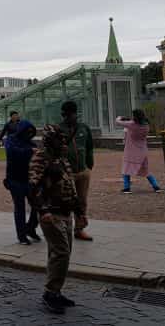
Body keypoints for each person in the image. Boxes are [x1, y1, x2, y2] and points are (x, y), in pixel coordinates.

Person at [29, 124, 85, 314]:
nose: (63, 142)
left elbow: (71, 186)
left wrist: (79, 213)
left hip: (65, 212)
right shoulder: (41, 157)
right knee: (61, 252)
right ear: (49, 139)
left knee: (62, 253)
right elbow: (33, 187)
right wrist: (43, 211)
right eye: (59, 139)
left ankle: (55, 291)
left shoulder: (61, 159)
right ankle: (50, 293)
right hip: (51, 213)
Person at [59, 101, 93, 241]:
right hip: (66, 173)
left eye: (71, 114)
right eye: (66, 115)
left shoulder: (83, 128)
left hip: (82, 170)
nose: (68, 117)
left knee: (82, 201)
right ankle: (64, 229)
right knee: (66, 202)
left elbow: (89, 147)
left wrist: (89, 165)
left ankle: (79, 229)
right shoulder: (58, 129)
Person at [4, 120, 40, 245]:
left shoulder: (31, 143)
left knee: (38, 205)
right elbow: (13, 153)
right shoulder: (10, 140)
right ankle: (21, 235)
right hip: (15, 179)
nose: (29, 135)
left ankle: (30, 227)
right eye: (27, 132)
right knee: (20, 208)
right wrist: (30, 152)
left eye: (31, 133)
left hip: (29, 180)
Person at [117, 110, 164, 194]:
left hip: (130, 151)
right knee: (146, 171)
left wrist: (120, 117)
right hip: (142, 151)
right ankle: (156, 186)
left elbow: (118, 122)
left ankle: (127, 188)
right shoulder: (146, 125)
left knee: (126, 169)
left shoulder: (131, 124)